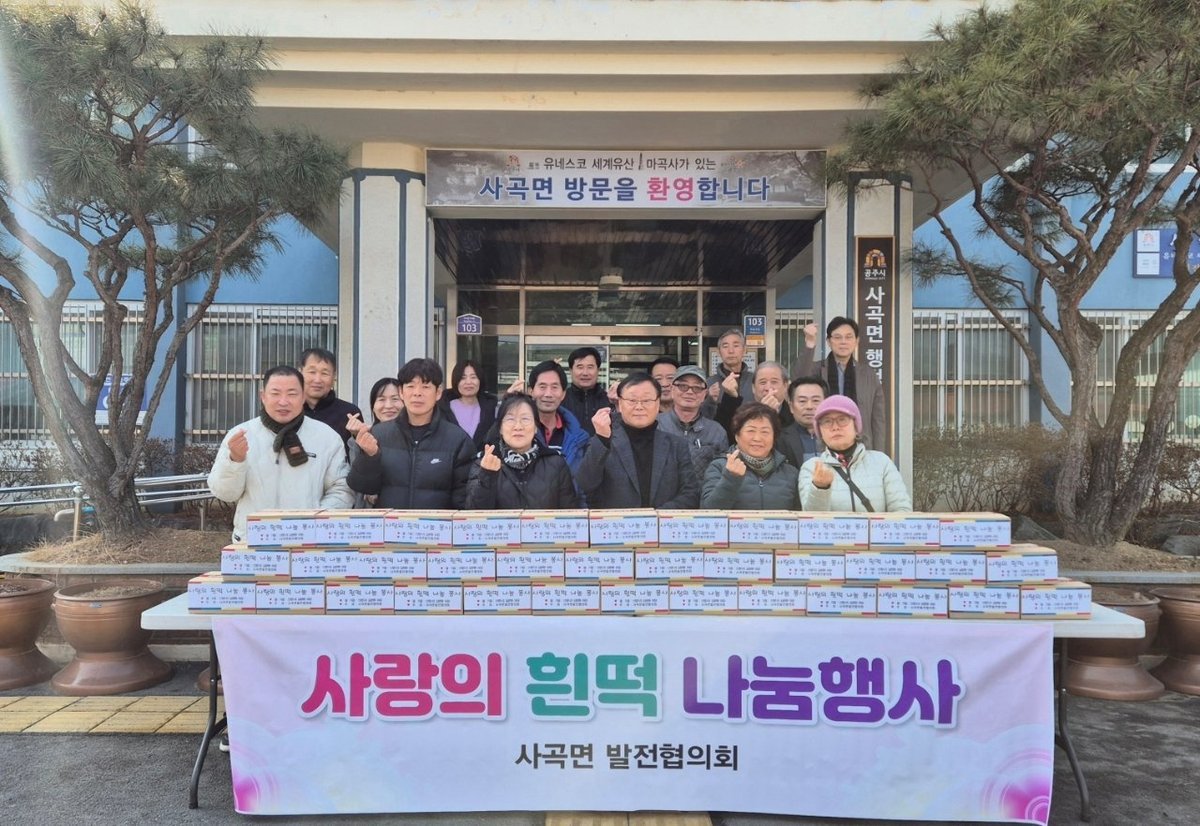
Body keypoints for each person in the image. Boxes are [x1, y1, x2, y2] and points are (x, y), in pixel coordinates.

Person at [208, 365, 352, 542]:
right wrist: (235, 461)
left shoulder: (326, 437)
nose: (283, 402)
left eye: (292, 394)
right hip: (253, 540)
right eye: (275, 393)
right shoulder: (242, 435)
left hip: (308, 540)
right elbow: (224, 494)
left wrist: (315, 521)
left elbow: (341, 488)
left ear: (303, 397)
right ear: (263, 396)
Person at [347, 358, 476, 509]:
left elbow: (463, 500)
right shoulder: (379, 434)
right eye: (410, 386)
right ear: (401, 392)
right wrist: (369, 457)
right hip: (390, 523)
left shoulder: (457, 440)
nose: (417, 393)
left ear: (438, 393)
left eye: (425, 387)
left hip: (436, 523)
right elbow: (362, 487)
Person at [578, 372, 699, 509]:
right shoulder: (604, 442)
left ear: (658, 403)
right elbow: (585, 484)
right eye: (632, 400)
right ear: (620, 403)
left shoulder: (676, 445)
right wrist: (601, 438)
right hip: (616, 522)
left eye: (647, 400)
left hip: (663, 521)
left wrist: (656, 517)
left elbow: (691, 493)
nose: (639, 406)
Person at [465, 394, 580, 509]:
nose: (518, 427)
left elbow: (570, 513)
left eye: (525, 419)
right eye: (510, 419)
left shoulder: (556, 464)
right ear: (500, 428)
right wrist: (487, 475)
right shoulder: (484, 463)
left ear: (536, 427)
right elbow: (473, 513)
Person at [799, 395, 911, 513]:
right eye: (827, 422)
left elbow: (902, 510)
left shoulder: (881, 462)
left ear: (856, 426)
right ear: (820, 432)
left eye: (842, 420)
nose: (835, 427)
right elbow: (811, 520)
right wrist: (820, 488)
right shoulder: (811, 468)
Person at [791, 318, 886, 452]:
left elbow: (878, 420)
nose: (843, 342)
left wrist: (878, 454)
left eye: (848, 337)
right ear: (829, 342)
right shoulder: (817, 369)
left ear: (856, 341)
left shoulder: (868, 374)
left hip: (861, 447)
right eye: (837, 337)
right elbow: (798, 380)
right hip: (823, 446)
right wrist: (810, 344)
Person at [701, 402, 799, 510]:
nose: (757, 438)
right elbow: (708, 511)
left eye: (765, 432)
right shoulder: (719, 467)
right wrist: (731, 478)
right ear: (737, 435)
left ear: (774, 437)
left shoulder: (790, 473)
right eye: (751, 431)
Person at [657, 364, 729, 479]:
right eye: (683, 386)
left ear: (704, 394)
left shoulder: (716, 431)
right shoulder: (655, 425)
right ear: (672, 389)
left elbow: (721, 474)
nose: (690, 392)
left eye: (697, 388)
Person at [345, 377, 404, 507]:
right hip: (370, 514)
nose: (388, 406)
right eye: (381, 399)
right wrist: (358, 437)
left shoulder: (414, 438)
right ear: (373, 406)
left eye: (395, 399)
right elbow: (356, 482)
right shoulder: (364, 436)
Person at [298, 347, 362, 450]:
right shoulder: (288, 411)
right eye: (312, 372)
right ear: (300, 372)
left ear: (334, 377)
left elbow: (362, 456)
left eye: (324, 373)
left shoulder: (349, 413)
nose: (317, 380)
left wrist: (357, 435)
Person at [712, 360, 794, 439]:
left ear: (785, 386)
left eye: (774, 382)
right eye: (762, 382)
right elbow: (722, 436)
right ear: (753, 388)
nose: (768, 388)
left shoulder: (795, 414)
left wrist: (770, 416)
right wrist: (730, 398)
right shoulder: (744, 414)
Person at [437, 359, 497, 454]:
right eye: (463, 378)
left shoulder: (491, 409)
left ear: (480, 380)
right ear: (456, 381)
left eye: (473, 377)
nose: (468, 382)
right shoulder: (442, 409)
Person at [703, 328, 755, 416]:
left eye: (736, 346)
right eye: (725, 346)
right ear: (719, 352)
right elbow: (703, 417)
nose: (731, 351)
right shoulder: (709, 383)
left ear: (744, 350)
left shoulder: (755, 381)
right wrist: (710, 400)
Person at [562, 346, 613, 436]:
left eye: (590, 367)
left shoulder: (609, 401)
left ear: (598, 370)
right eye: (580, 367)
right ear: (571, 370)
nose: (585, 373)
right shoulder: (561, 400)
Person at [779, 376, 827, 468]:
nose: (809, 406)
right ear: (791, 406)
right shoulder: (780, 439)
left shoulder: (837, 435)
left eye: (815, 400)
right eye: (802, 401)